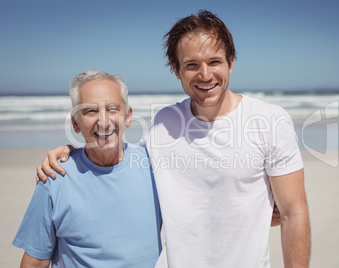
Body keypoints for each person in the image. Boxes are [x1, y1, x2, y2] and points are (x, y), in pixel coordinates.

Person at [36, 10, 310, 267]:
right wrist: (73, 153)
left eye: (215, 61)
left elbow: (293, 212)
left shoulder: (270, 120)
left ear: (231, 63)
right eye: (192, 65)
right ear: (176, 70)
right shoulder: (163, 124)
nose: (205, 75)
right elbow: (119, 162)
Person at [14, 71, 162, 267]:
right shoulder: (54, 176)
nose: (103, 121)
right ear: (75, 123)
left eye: (112, 109)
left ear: (128, 116)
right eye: (90, 111)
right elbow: (35, 262)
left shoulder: (156, 169)